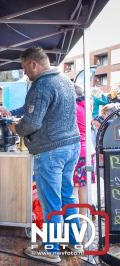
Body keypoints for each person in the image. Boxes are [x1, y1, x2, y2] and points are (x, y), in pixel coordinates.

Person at [8, 47, 81, 263]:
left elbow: (32, 123)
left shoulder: (41, 85)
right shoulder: (66, 81)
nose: (25, 73)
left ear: (33, 64)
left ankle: (51, 249)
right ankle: (73, 242)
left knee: (51, 202)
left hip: (51, 151)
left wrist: (15, 128)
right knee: (67, 197)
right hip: (72, 147)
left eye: (24, 68)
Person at [72, 84, 95, 217]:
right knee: (84, 187)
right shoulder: (86, 107)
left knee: (74, 187)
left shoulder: (74, 108)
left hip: (77, 151)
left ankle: (74, 221)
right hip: (87, 152)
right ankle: (83, 219)